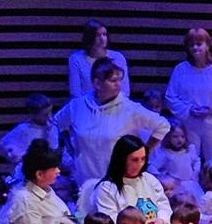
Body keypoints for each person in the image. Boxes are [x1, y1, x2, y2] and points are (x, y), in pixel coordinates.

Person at [53, 58, 168, 186]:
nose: (118, 84)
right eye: (113, 80)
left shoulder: (129, 108)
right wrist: (70, 149)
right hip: (85, 182)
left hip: (119, 183)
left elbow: (163, 126)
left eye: (120, 80)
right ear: (97, 83)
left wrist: (144, 153)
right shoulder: (77, 106)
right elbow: (57, 122)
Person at [164, 27, 212, 162]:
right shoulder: (181, 69)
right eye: (191, 45)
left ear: (207, 45)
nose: (195, 48)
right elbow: (170, 97)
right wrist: (189, 109)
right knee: (189, 163)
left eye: (199, 44)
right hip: (188, 125)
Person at [66, 20, 131, 99]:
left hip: (115, 107)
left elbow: (125, 91)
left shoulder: (118, 58)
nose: (102, 39)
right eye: (98, 35)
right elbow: (75, 93)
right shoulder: (76, 59)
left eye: (104, 34)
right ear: (89, 38)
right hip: (87, 106)